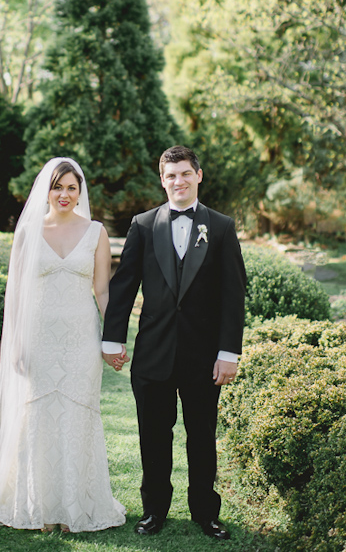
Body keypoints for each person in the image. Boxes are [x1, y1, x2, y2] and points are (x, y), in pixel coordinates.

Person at [102, 145, 246, 540]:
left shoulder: (220, 227)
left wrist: (228, 352)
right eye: (170, 176)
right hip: (153, 354)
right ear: (162, 180)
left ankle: (205, 512)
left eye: (185, 173)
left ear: (198, 175)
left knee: (201, 438)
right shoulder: (144, 225)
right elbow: (124, 285)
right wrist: (112, 339)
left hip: (204, 357)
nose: (178, 181)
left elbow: (233, 296)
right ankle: (154, 512)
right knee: (153, 438)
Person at [0, 157, 126, 533]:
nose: (64, 194)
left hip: (81, 341)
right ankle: (38, 506)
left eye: (71, 188)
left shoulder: (96, 232)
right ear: (46, 191)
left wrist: (113, 339)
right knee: (38, 417)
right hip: (38, 339)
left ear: (80, 192)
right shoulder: (28, 233)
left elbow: (103, 291)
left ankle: (76, 506)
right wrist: (14, 344)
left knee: (79, 416)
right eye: (57, 187)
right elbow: (16, 296)